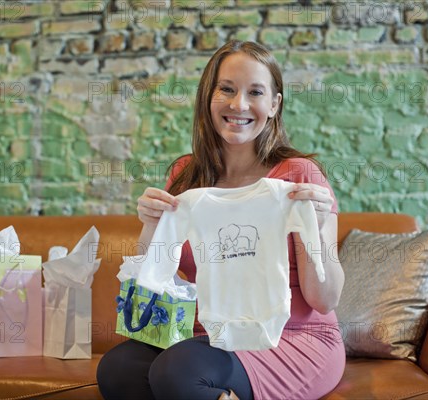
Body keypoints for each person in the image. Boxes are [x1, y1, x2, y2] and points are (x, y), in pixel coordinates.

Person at [97, 40, 345, 400]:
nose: (238, 104)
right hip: (210, 335)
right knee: (117, 369)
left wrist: (319, 229)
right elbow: (153, 280)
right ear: (207, 97)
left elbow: (324, 300)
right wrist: (151, 225)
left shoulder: (298, 177)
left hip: (292, 337)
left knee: (179, 371)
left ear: (274, 105)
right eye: (226, 89)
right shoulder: (187, 175)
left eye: (255, 92)